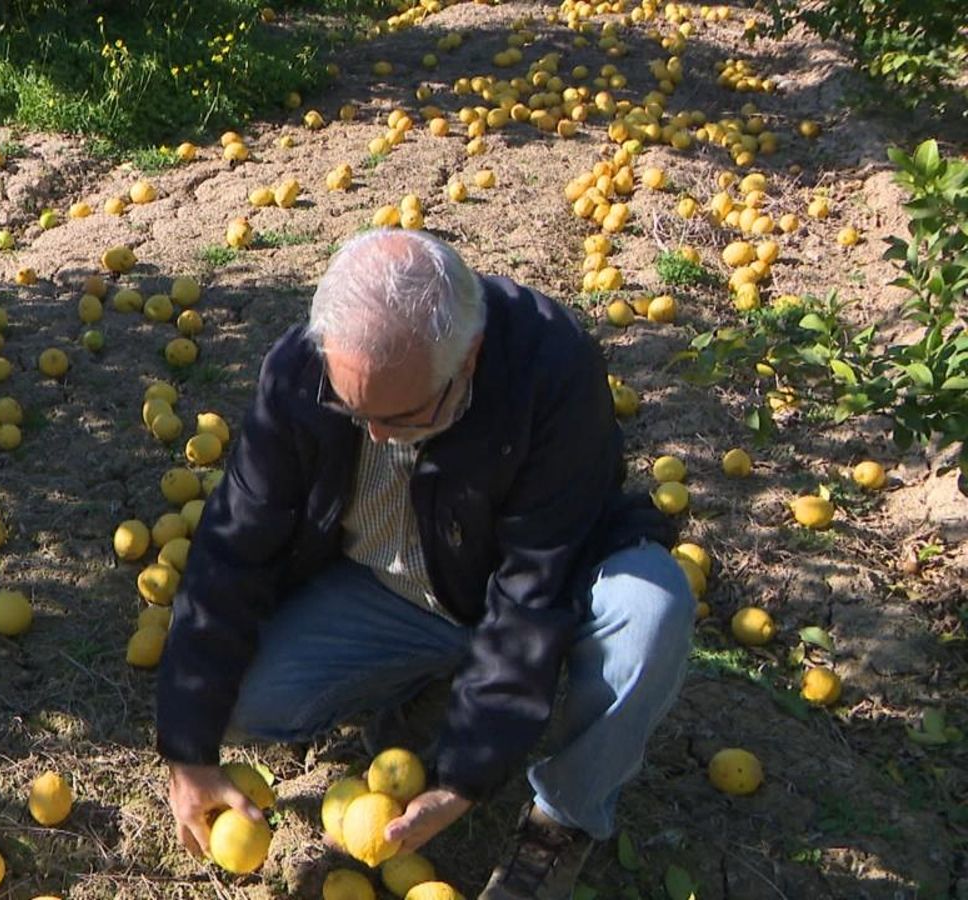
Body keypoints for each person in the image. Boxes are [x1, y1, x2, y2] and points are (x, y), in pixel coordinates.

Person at [154, 229, 693, 899]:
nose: (376, 434)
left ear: (467, 357)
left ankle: (563, 818)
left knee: (652, 611)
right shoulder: (302, 373)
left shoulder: (550, 369)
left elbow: (534, 588)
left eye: (404, 417)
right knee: (238, 701)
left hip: (537, 582)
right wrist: (187, 748)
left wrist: (462, 780)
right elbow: (233, 549)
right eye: (355, 413)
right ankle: (434, 686)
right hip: (394, 588)